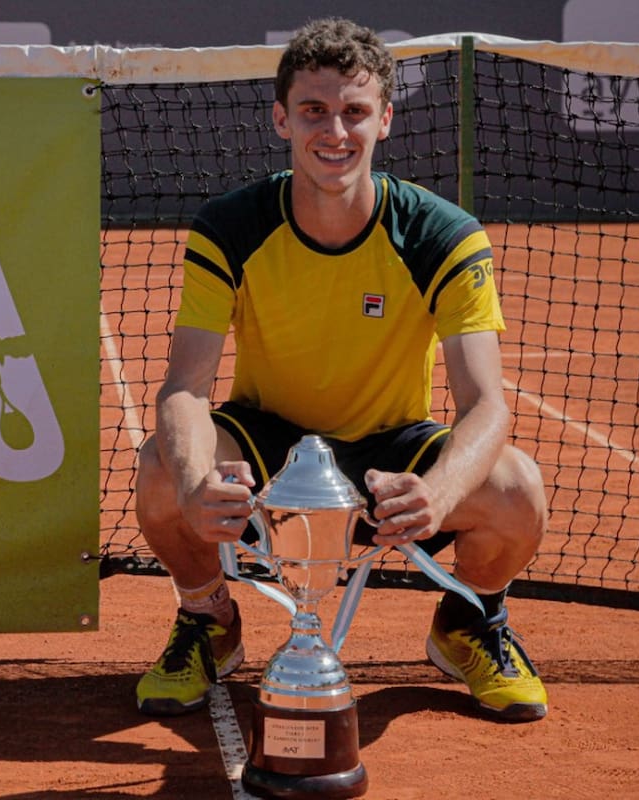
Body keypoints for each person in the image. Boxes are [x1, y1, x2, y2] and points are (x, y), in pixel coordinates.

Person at [133, 17, 549, 722]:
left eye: (355, 112)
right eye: (314, 110)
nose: (336, 131)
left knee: (517, 490)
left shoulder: (443, 235)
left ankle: (469, 622)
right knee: (160, 468)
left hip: (390, 454)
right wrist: (202, 483)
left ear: (384, 120)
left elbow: (487, 406)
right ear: (281, 118)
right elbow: (184, 390)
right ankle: (208, 618)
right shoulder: (229, 228)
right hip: (270, 444)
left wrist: (438, 495)